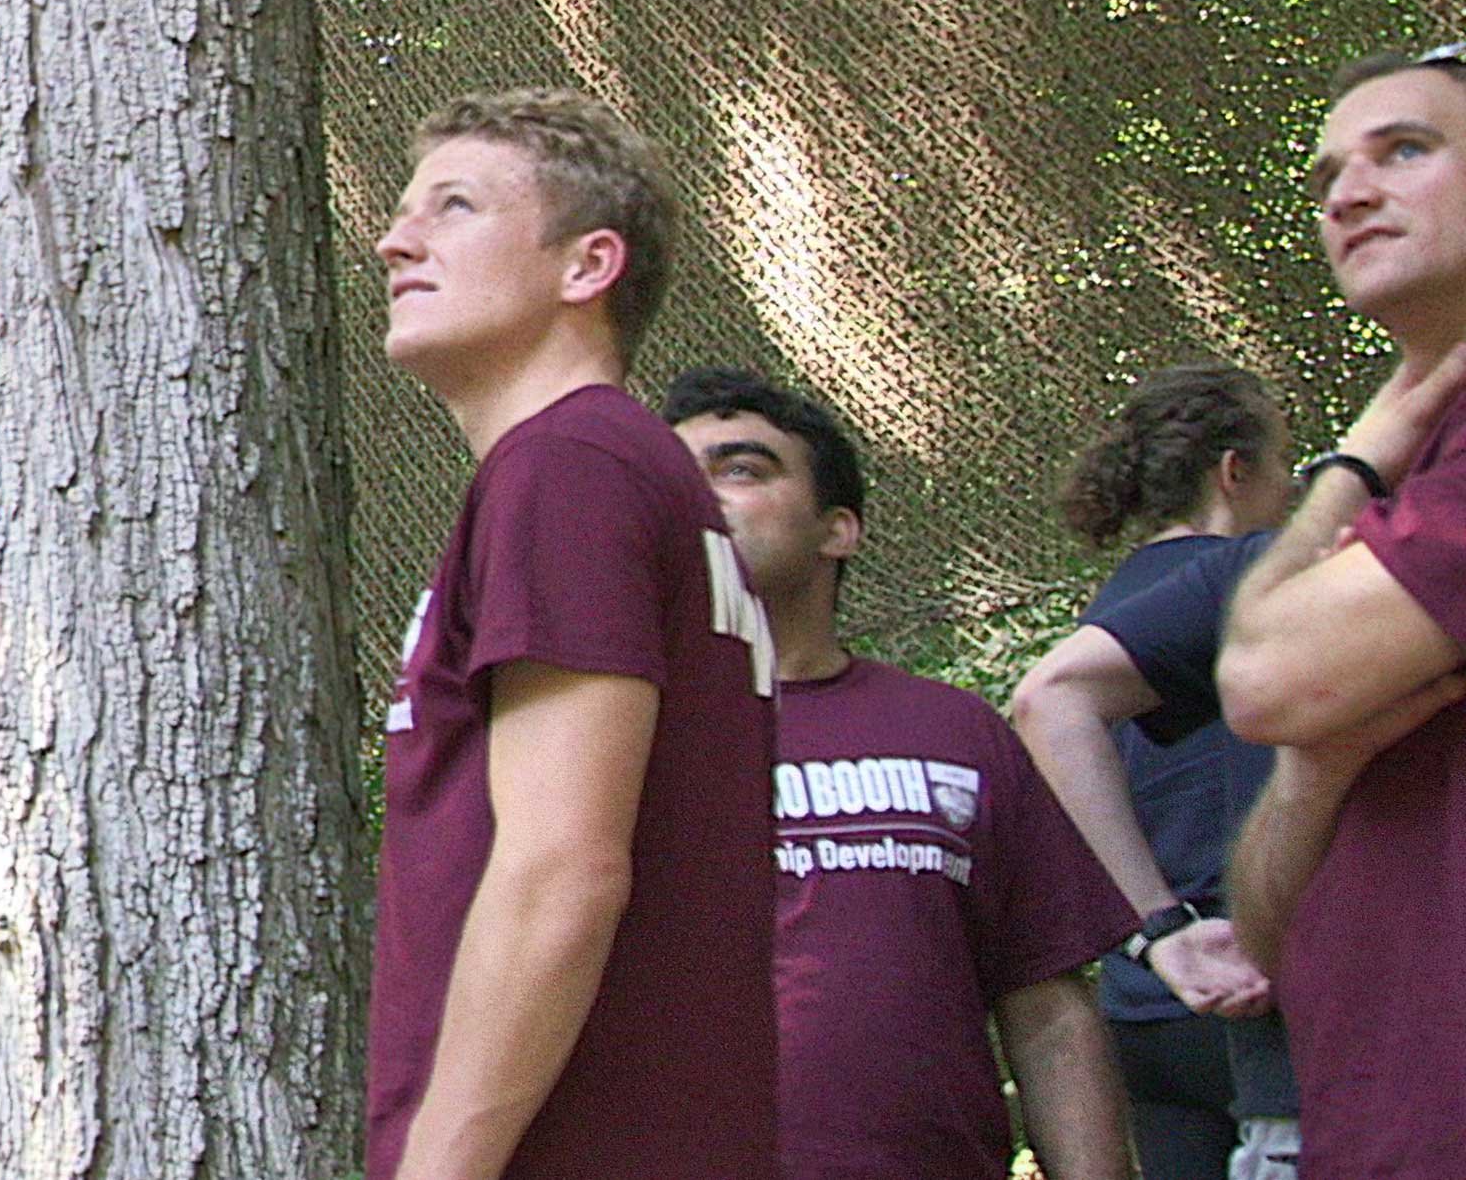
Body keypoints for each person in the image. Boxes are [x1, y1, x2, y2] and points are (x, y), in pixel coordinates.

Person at [365, 87, 779, 1180]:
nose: (392, 238)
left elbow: (561, 866)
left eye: (451, 206)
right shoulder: (615, 469)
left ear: (585, 265)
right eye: (405, 211)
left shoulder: (568, 467)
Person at [659, 368, 1134, 1180]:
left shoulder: (955, 731)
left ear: (837, 529)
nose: (702, 497)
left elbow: (1048, 1007)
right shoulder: (604, 742)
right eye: (674, 479)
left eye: (742, 468)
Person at [1212, 42, 1466, 1180]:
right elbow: (1274, 934)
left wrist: (1343, 463)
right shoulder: (1416, 475)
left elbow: (1257, 680)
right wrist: (1315, 774)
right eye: (1323, 179)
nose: (1344, 194)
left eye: (1401, 151)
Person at [1004, 365, 1302, 1180]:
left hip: (1140, 1007)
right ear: (1233, 470)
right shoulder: (1253, 587)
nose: (1290, 493)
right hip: (1245, 987)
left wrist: (1150, 928)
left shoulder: (1105, 616)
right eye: (1283, 468)